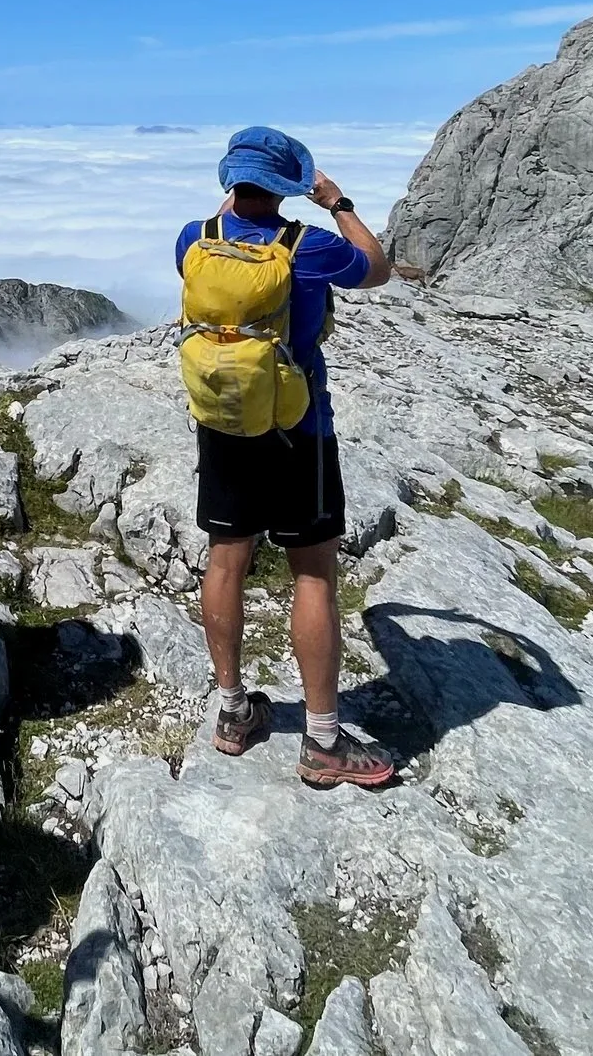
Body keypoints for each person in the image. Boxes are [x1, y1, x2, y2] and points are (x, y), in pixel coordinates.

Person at [180, 125, 399, 788]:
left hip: (222, 423)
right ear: (286, 186)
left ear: (230, 180)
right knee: (313, 571)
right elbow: (380, 266)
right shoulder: (312, 247)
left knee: (226, 558)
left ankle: (232, 713)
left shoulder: (194, 238)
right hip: (299, 430)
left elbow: (221, 244)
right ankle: (324, 740)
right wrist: (336, 200)